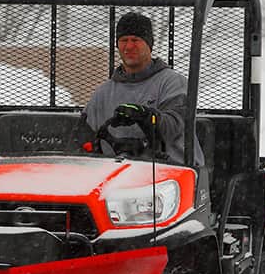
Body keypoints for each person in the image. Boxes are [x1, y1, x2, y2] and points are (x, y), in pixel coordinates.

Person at [81, 11, 204, 165]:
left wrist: (146, 118)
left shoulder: (172, 83)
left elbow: (173, 127)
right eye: (124, 40)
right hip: (115, 175)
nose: (129, 46)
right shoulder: (103, 93)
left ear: (149, 44)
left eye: (136, 40)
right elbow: (82, 137)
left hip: (169, 174)